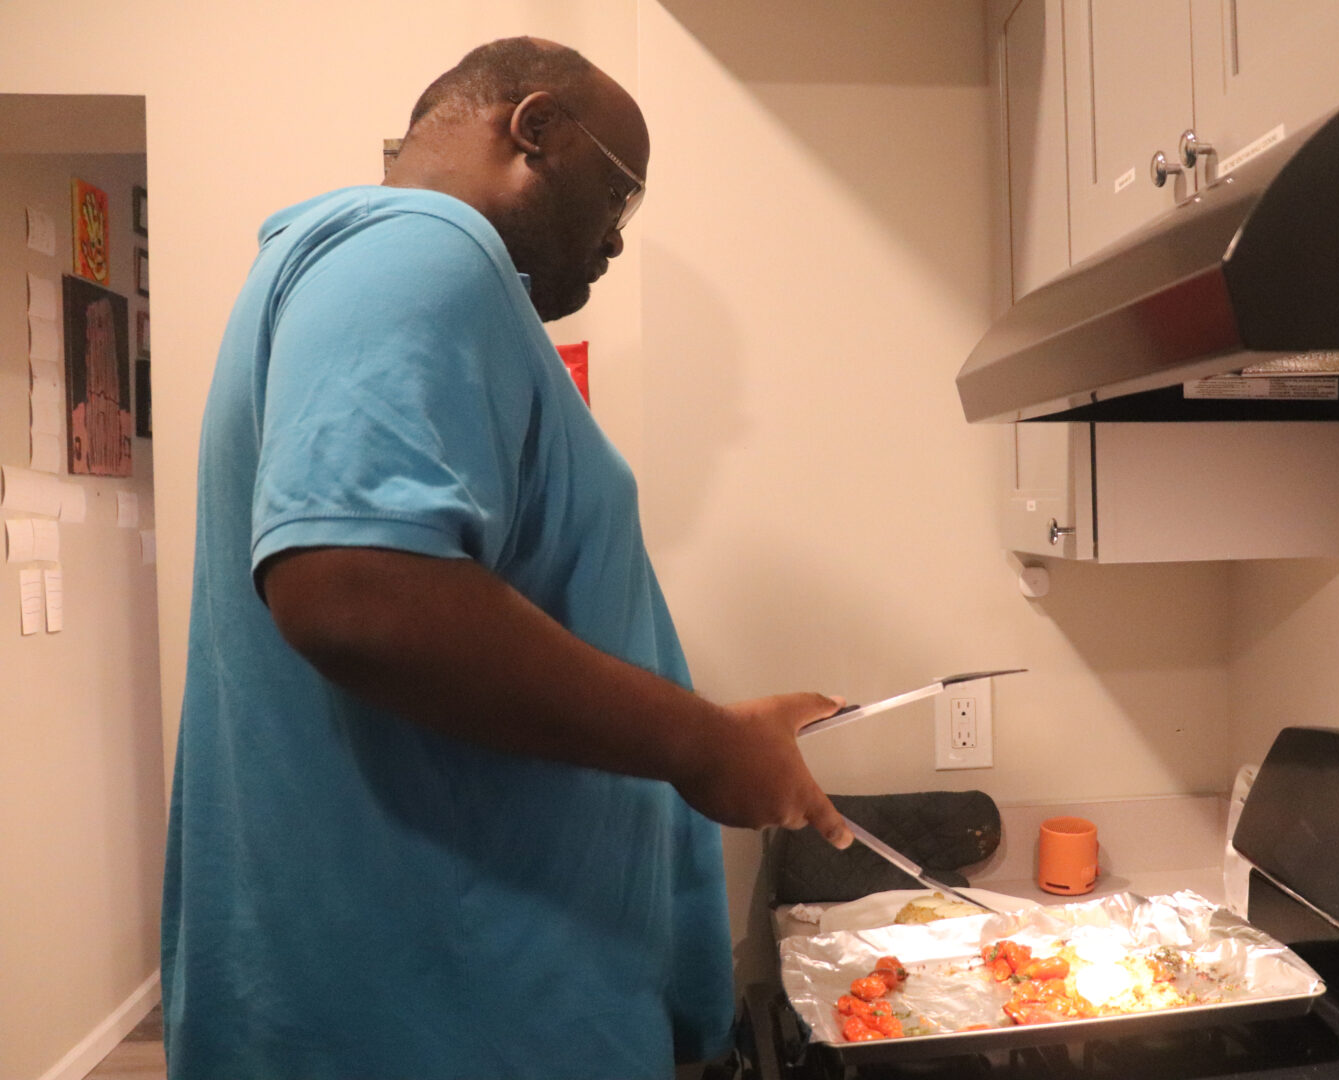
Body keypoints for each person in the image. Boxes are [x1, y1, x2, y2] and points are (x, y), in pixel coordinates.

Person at [161, 37, 851, 1080]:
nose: (617, 245)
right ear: (534, 128)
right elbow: (356, 593)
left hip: (478, 1000)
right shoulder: (420, 245)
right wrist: (706, 745)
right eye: (619, 201)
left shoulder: (381, 272)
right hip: (443, 1017)